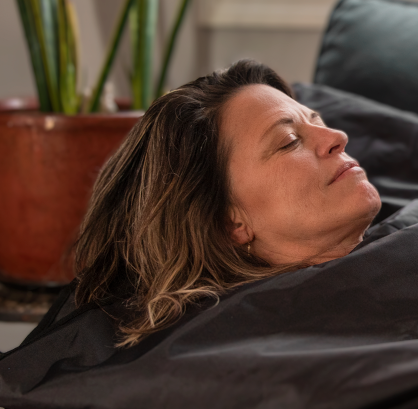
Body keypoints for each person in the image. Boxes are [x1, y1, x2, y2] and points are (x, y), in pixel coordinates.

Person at [72, 60, 382, 347]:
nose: (337, 136)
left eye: (317, 120)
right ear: (230, 223)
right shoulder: (260, 350)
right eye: (289, 141)